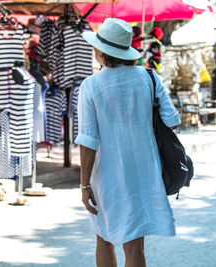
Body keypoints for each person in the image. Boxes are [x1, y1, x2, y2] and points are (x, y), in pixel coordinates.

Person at [76, 18, 181, 267]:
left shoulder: (91, 86)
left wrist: (83, 185)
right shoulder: (149, 78)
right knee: (135, 247)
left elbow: (88, 141)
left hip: (107, 174)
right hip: (145, 169)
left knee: (103, 237)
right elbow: (172, 121)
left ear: (102, 51)